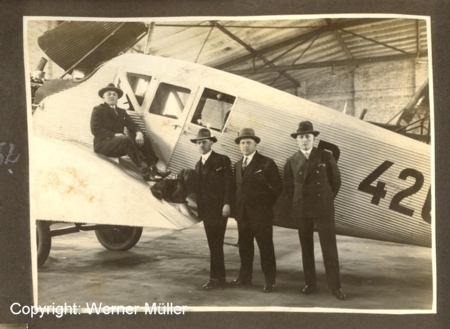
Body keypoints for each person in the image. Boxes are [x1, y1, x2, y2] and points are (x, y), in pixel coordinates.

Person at [284, 121, 346, 301]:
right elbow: (288, 187)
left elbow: (336, 181)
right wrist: (297, 202)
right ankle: (310, 283)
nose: (304, 140)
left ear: (313, 138)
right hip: (302, 208)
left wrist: (326, 199)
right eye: (301, 137)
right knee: (306, 247)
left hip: (323, 207)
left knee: (329, 247)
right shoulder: (291, 161)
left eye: (308, 137)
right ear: (297, 140)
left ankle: (335, 287)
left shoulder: (325, 156)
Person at [229, 128, 283, 293]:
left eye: (248, 142)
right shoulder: (238, 165)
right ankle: (245, 278)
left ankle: (270, 281)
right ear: (239, 146)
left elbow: (277, 188)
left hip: (261, 215)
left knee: (266, 248)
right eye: (242, 143)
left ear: (255, 143)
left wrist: (264, 206)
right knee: (245, 248)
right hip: (243, 215)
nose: (245, 145)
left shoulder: (266, 163)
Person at [90, 83, 170, 181]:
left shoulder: (121, 112)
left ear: (117, 98)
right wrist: (114, 135)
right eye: (109, 94)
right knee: (125, 139)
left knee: (144, 139)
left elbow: (133, 125)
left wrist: (139, 133)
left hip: (118, 145)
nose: (112, 96)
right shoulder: (98, 110)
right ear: (103, 97)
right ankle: (146, 172)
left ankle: (154, 168)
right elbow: (95, 129)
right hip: (103, 145)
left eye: (114, 94)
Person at [191, 128, 233, 290]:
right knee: (213, 244)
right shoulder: (198, 164)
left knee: (216, 244)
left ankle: (215, 279)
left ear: (211, 142)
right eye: (198, 143)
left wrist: (227, 203)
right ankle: (218, 278)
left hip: (219, 209)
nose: (201, 145)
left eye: (204, 142)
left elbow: (229, 184)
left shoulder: (222, 160)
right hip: (206, 211)